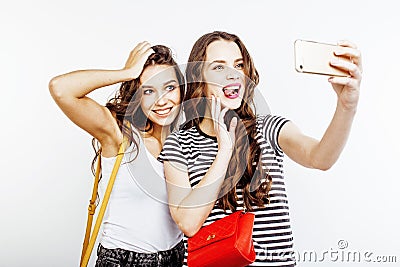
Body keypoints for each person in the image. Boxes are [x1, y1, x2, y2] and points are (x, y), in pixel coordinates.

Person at [158, 31, 362, 266]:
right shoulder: (179, 143)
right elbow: (188, 222)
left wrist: (347, 106)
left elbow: (320, 158)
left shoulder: (268, 128)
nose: (233, 75)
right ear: (198, 77)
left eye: (238, 65)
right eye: (218, 67)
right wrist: (224, 151)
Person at [49, 42, 185, 266]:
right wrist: (126, 73)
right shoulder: (119, 134)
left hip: (177, 257)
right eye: (149, 90)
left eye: (169, 87)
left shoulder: (183, 139)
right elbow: (60, 88)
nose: (161, 101)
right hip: (125, 260)